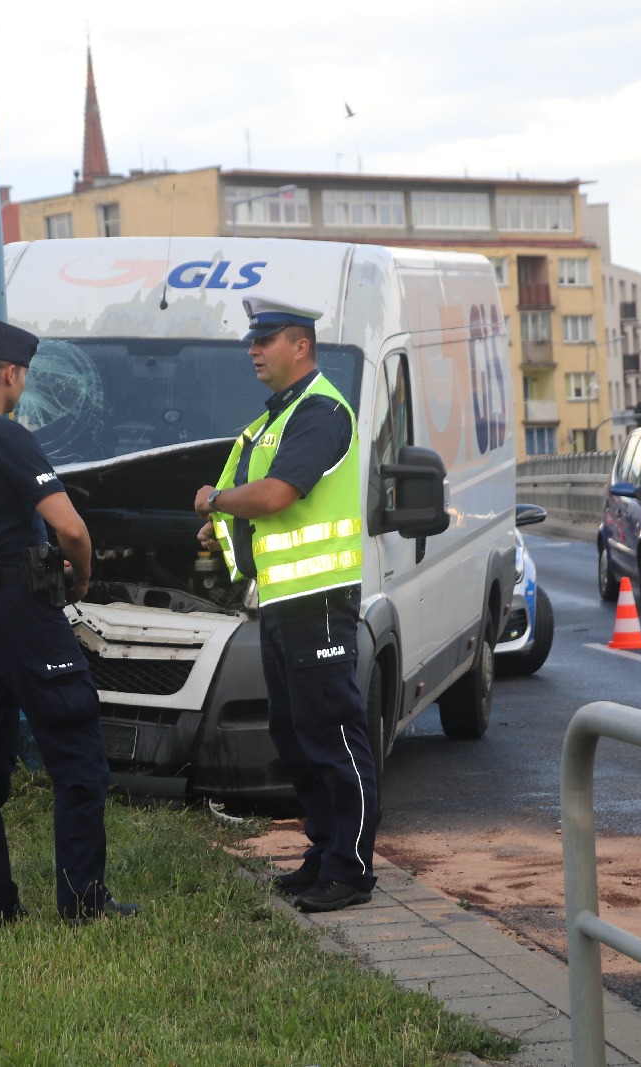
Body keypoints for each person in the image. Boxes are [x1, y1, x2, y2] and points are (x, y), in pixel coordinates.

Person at [0, 317, 137, 925]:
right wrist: (81, 577)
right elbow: (69, 527)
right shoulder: (4, 435)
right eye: (24, 375)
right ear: (10, 374)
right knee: (76, 747)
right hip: (16, 600)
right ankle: (82, 902)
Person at [193, 296, 376, 914]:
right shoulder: (276, 419)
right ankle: (324, 853)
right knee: (295, 734)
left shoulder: (321, 412)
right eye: (252, 339)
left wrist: (218, 502)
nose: (253, 350)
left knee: (333, 733)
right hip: (281, 601)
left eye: (265, 339)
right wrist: (225, 524)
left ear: (301, 346)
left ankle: (350, 872)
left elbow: (274, 496)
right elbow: (262, 507)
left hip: (318, 600)